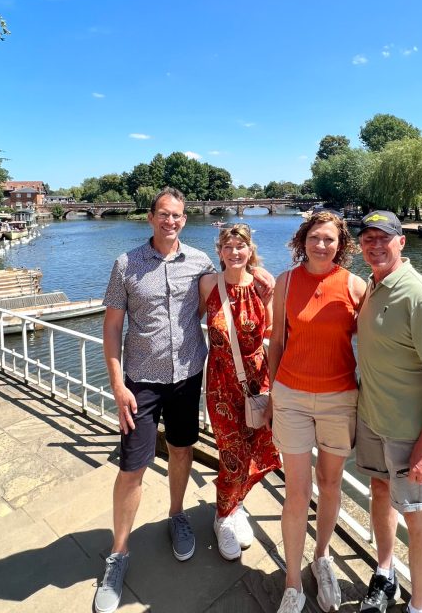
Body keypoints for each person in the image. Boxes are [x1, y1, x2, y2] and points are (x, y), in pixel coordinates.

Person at [94, 187, 273, 613]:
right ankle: (118, 555)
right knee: (131, 468)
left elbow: (236, 283)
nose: (170, 221)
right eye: (163, 214)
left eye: (177, 215)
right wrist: (117, 385)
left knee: (181, 451)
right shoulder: (127, 265)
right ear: (151, 217)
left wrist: (266, 278)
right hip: (141, 382)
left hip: (189, 377)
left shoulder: (200, 264)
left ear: (184, 220)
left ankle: (177, 516)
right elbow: (112, 329)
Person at [354, 211, 422, 613]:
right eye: (369, 239)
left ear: (402, 242)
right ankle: (385, 572)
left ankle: (419, 607)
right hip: (372, 418)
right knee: (378, 491)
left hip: (408, 432)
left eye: (385, 238)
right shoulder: (373, 284)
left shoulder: (418, 295)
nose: (376, 245)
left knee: (417, 517)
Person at [266, 211, 367, 613]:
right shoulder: (285, 282)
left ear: (341, 245)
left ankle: (322, 556)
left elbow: (377, 342)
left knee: (329, 483)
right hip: (290, 396)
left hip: (339, 399)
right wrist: (274, 393)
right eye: (314, 238)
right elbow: (275, 343)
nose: (321, 245)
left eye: (329, 239)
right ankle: (293, 582)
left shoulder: (356, 286)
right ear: (302, 240)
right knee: (296, 492)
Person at [198, 223, 281, 561]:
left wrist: (276, 387)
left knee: (261, 450)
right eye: (228, 247)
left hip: (257, 380)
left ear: (250, 251)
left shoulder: (263, 285)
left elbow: (273, 334)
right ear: (219, 251)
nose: (235, 253)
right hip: (220, 383)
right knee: (232, 455)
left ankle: (235, 507)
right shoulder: (207, 284)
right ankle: (222, 518)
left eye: (241, 247)